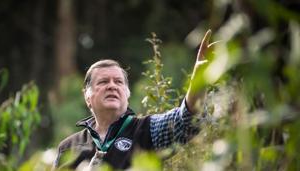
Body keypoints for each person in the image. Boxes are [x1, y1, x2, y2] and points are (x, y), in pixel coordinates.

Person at [53, 30, 214, 170]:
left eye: (118, 82)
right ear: (87, 97)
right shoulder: (68, 147)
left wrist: (200, 76)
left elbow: (186, 121)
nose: (112, 86)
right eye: (103, 82)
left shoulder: (146, 130)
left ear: (127, 94)